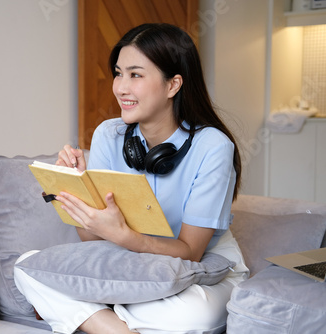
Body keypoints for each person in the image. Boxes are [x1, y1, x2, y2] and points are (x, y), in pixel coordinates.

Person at [14, 23, 249, 334]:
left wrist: (126, 236)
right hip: (130, 267)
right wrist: (80, 192)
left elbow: (190, 252)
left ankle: (92, 316)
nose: (121, 87)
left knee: (196, 315)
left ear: (172, 85)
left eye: (135, 75)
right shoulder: (108, 135)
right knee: (25, 267)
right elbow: (94, 240)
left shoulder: (213, 146)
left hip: (199, 268)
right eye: (118, 72)